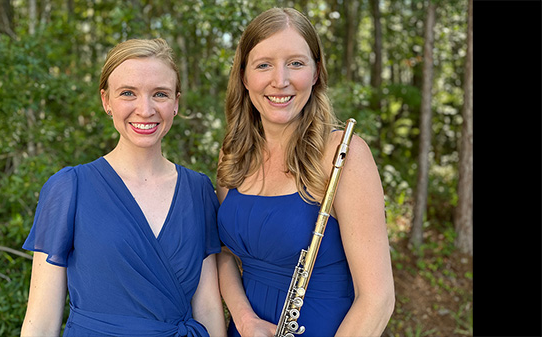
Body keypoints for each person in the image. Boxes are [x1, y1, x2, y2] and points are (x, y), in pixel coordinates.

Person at [20, 38, 226, 337]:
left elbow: (207, 307)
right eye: (128, 93)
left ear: (176, 103)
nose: (145, 109)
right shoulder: (69, 188)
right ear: (106, 101)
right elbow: (41, 321)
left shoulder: (199, 190)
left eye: (160, 94)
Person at [215, 7, 395, 337]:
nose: (280, 80)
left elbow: (378, 299)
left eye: (295, 63)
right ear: (244, 76)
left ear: (315, 73)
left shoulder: (344, 155)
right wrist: (245, 320)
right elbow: (224, 256)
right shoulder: (233, 154)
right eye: (263, 64)